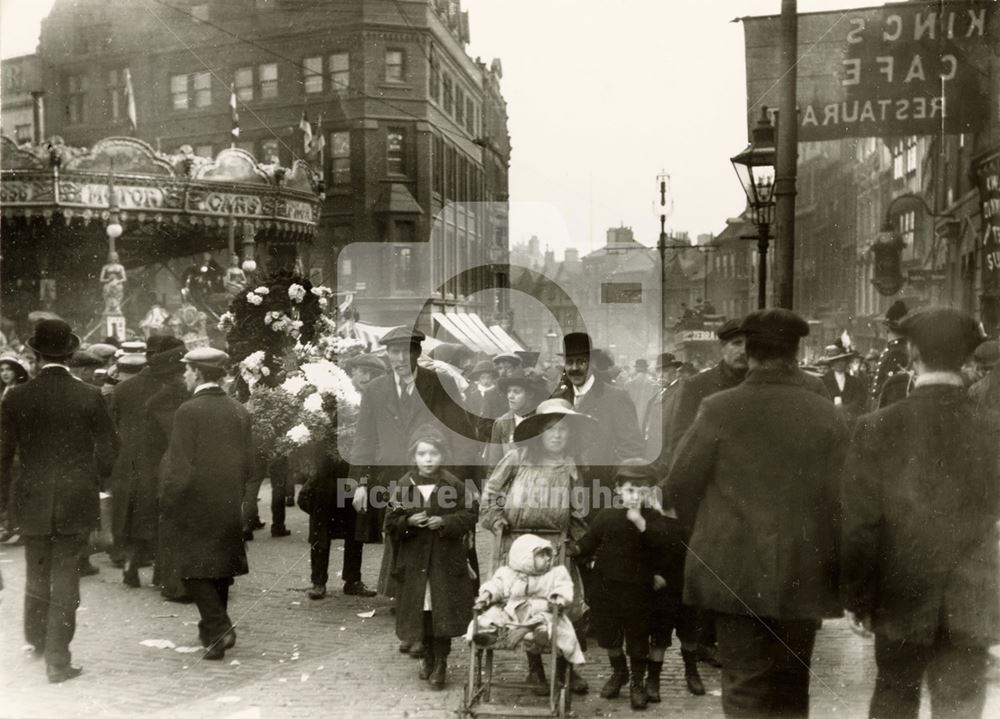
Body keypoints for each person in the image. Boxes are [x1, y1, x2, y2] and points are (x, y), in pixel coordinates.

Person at [664, 308, 849, 717]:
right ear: (796, 352)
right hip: (805, 570)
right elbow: (844, 497)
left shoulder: (719, 408)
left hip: (735, 573)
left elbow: (679, 485)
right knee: (791, 687)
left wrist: (716, 527)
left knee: (745, 684)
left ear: (749, 351)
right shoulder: (826, 412)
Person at [841, 307, 1000, 719]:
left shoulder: (876, 427)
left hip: (900, 598)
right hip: (973, 601)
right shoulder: (989, 429)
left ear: (912, 351)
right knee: (962, 707)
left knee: (894, 698)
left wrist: (858, 598)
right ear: (966, 356)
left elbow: (862, 526)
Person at [0, 319, 118, 683]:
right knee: (66, 575)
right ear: (69, 354)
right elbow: (110, 448)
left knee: (37, 572)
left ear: (35, 356)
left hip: (31, 496)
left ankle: (36, 639)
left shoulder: (16, 396)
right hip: (75, 496)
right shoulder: (89, 395)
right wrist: (89, 474)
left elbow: (3, 454)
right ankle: (58, 659)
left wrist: (6, 501)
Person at [350, 325, 476, 657]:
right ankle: (411, 626)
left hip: (436, 477)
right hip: (395, 481)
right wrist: (360, 482)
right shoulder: (375, 390)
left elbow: (461, 433)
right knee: (402, 551)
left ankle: (428, 629)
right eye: (393, 353)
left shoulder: (440, 384)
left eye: (405, 352)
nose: (399, 359)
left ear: (417, 354)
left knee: (434, 552)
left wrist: (463, 481)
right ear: (386, 355)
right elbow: (364, 438)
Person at [480, 398, 593, 694]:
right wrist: (496, 519)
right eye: (550, 429)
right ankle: (536, 671)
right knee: (526, 606)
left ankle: (567, 669)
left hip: (556, 546)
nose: (557, 435)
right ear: (539, 433)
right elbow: (490, 493)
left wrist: (581, 545)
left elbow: (579, 510)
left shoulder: (571, 466)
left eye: (563, 431)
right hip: (517, 545)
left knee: (565, 607)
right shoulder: (518, 459)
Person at [159, 347, 254, 661]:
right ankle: (214, 640)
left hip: (193, 502)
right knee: (219, 569)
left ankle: (219, 626)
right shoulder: (239, 410)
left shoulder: (188, 410)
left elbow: (179, 465)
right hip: (228, 501)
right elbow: (251, 464)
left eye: (187, 370)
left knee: (191, 569)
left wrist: (169, 499)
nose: (185, 375)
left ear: (198, 372)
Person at [570, 459, 677, 711]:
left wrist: (640, 521)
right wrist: (576, 549)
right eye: (629, 490)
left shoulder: (654, 519)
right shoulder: (607, 516)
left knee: (637, 637)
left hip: (639, 591)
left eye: (642, 490)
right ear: (617, 490)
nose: (634, 496)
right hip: (606, 587)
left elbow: (664, 546)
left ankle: (637, 682)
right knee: (609, 635)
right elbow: (589, 541)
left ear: (651, 491)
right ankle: (619, 672)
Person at [385, 425, 477, 690]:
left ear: (442, 456)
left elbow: (470, 515)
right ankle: (426, 654)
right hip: (414, 563)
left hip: (443, 563)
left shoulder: (453, 485)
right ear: (414, 456)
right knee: (421, 611)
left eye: (433, 453)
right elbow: (390, 521)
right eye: (422, 454)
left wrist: (446, 521)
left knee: (442, 611)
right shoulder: (404, 486)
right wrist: (408, 521)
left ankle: (441, 662)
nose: (428, 459)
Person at [108, 336, 186, 587]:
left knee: (131, 514)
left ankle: (130, 564)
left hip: (127, 462)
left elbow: (113, 427)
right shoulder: (174, 389)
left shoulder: (123, 388)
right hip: (158, 461)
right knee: (160, 515)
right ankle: (160, 574)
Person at [471, 533, 585, 695]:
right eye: (541, 555)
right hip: (514, 616)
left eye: (548, 554)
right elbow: (497, 585)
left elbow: (563, 588)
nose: (547, 558)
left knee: (550, 622)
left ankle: (541, 636)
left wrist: (557, 599)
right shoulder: (509, 573)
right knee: (491, 615)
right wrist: (486, 595)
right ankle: (490, 633)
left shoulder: (555, 573)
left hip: (542, 614)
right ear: (526, 558)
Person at [553, 332, 643, 508]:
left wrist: (615, 483)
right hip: (563, 495)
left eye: (581, 362)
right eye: (569, 362)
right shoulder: (557, 399)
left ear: (593, 363)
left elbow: (631, 447)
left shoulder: (615, 397)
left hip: (603, 494)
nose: (574, 368)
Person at [482, 368, 548, 471]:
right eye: (508, 391)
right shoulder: (501, 424)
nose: (510, 396)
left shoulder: (543, 421)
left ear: (530, 394)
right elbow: (493, 466)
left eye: (516, 392)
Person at [0, 356, 29, 542]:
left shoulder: (19, 392)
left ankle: (16, 527)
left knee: (15, 485)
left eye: (8, 369)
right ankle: (7, 526)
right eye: (1, 370)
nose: (4, 374)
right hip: (4, 444)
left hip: (16, 445)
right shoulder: (3, 391)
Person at [868, 300, 909, 410]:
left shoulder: (896, 352)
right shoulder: (893, 349)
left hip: (886, 408)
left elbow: (893, 389)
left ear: (888, 328)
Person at [818, 341, 867, 422]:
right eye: (836, 361)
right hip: (829, 421)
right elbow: (820, 402)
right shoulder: (823, 381)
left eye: (842, 361)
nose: (840, 364)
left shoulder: (855, 381)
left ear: (847, 362)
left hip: (850, 421)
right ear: (832, 363)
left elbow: (860, 401)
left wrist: (845, 408)